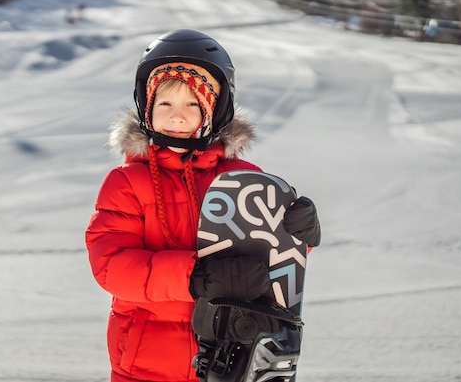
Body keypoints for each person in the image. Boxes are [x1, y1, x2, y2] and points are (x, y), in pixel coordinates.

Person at [85, 29, 321, 382]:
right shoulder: (127, 183)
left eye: (192, 104)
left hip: (230, 356)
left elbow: (274, 263)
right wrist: (193, 277)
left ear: (216, 109)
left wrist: (300, 236)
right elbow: (112, 267)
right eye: (164, 104)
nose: (177, 117)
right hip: (146, 364)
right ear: (146, 107)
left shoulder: (244, 181)